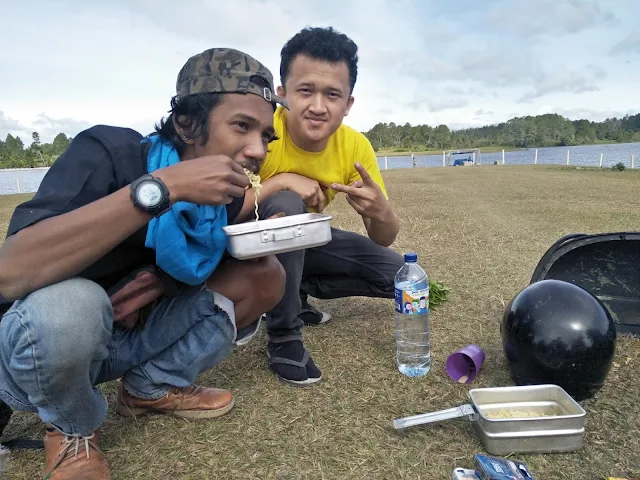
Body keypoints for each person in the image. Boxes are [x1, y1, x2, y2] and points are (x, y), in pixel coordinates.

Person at [0, 48, 287, 479]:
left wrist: (269, 231)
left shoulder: (220, 200)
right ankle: (72, 427)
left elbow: (199, 263)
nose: (257, 150)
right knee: (70, 306)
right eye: (242, 126)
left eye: (265, 136)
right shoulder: (110, 154)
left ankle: (150, 386)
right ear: (187, 124)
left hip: (125, 339)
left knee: (264, 275)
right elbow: (11, 271)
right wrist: (161, 189)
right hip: (45, 345)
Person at [237, 27, 404, 386]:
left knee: (399, 276)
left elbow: (385, 237)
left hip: (304, 242)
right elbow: (223, 212)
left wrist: (380, 211)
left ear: (348, 104)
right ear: (282, 95)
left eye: (332, 95)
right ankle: (283, 335)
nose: (317, 106)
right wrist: (280, 182)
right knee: (286, 202)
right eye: (305, 91)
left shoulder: (355, 146)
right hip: (249, 249)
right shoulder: (259, 133)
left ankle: (293, 291)